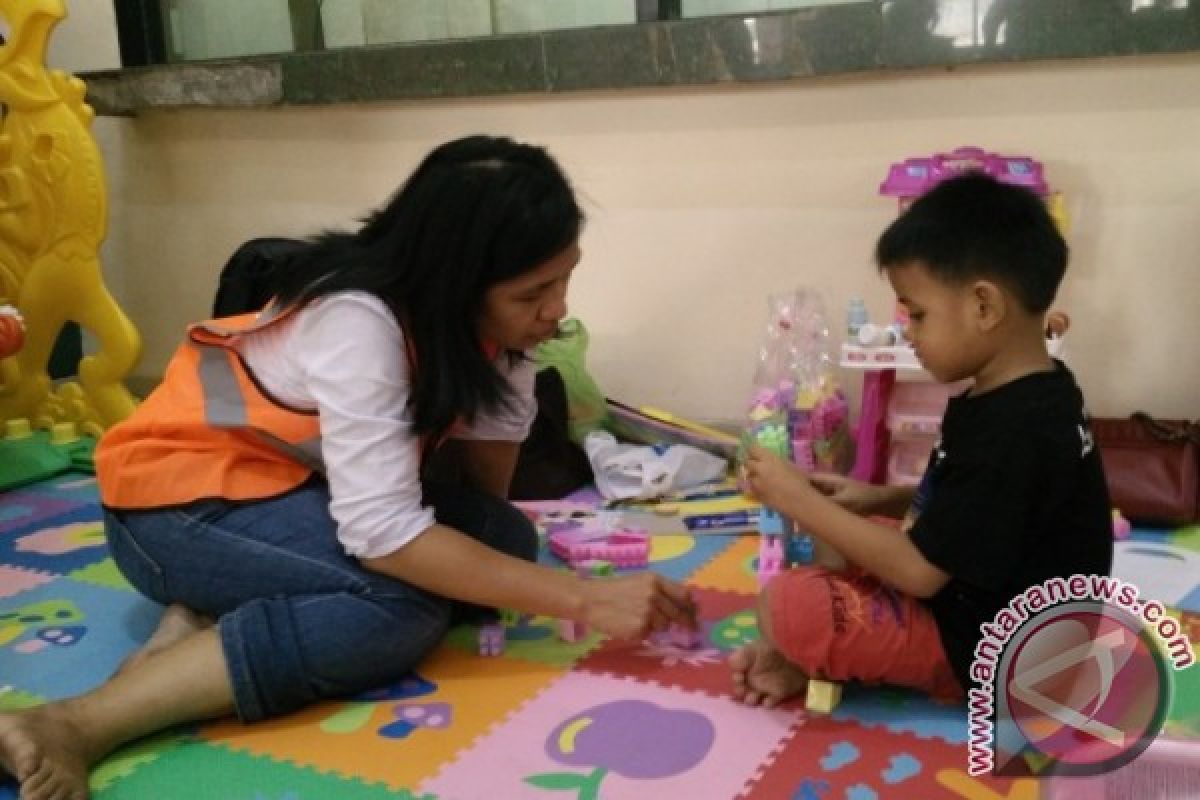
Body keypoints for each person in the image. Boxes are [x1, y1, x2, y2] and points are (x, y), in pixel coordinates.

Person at [0, 135, 696, 800]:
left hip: (283, 491)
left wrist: (502, 563)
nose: (557, 310)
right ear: (455, 281)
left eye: (565, 278)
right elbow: (386, 537)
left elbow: (475, 504)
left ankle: (218, 612)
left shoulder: (497, 334)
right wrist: (582, 599)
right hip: (174, 502)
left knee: (504, 539)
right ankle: (73, 722)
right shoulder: (358, 322)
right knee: (397, 610)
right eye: (531, 292)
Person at [730, 172, 1112, 707]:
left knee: (787, 604)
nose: (908, 330)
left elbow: (920, 572)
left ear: (984, 307)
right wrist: (879, 498)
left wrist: (792, 499)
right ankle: (815, 653)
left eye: (918, 313)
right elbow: (989, 510)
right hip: (991, 604)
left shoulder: (1016, 428)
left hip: (997, 655)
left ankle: (809, 660)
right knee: (846, 531)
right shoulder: (1032, 393)